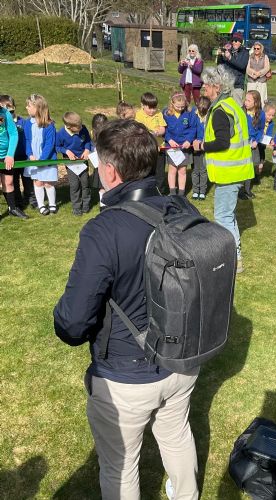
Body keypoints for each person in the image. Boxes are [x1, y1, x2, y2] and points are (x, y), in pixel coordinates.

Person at [53, 119, 200, 500]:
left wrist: (61, 317)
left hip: (125, 375)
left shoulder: (103, 230)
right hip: (182, 358)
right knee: (177, 433)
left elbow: (72, 323)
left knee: (120, 466)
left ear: (110, 171)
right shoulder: (181, 206)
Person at [193, 65, 253, 273]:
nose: (204, 89)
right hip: (236, 170)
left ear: (217, 87)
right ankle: (233, 255)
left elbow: (222, 142)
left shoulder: (220, 110)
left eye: (206, 86)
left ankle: (234, 259)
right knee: (228, 214)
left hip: (229, 172)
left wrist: (202, 146)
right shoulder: (232, 104)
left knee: (223, 217)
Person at [23, 94, 57, 215]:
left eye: (29, 105)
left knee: (48, 182)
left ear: (37, 107)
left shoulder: (49, 125)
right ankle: (41, 205)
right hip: (34, 158)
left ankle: (52, 204)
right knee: (38, 182)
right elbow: (27, 140)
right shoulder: (28, 123)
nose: (26, 107)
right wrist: (30, 155)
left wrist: (42, 160)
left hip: (46, 159)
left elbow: (49, 144)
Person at [0, 95, 34, 211]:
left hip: (6, 155)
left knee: (9, 182)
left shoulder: (5, 113)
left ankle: (13, 209)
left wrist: (10, 154)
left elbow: (13, 133)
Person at [56, 112, 92, 216]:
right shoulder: (61, 134)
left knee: (85, 182)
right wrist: (66, 151)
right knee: (74, 185)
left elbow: (88, 141)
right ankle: (76, 207)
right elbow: (57, 146)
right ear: (69, 126)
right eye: (78, 127)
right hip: (70, 163)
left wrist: (87, 149)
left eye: (81, 126)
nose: (81, 128)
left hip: (82, 160)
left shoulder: (83, 129)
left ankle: (86, 205)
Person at [163, 92, 197, 196]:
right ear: (172, 103)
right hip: (172, 147)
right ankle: (172, 192)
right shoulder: (166, 113)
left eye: (182, 106)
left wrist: (189, 140)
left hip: (184, 147)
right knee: (172, 170)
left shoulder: (189, 113)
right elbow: (164, 129)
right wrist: (169, 140)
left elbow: (193, 128)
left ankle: (181, 193)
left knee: (182, 170)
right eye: (178, 106)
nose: (180, 108)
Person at [134, 92, 167, 193]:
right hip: (146, 149)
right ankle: (146, 191)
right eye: (150, 108)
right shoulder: (139, 115)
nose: (152, 111)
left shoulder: (159, 114)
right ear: (142, 105)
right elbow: (139, 130)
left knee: (160, 172)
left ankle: (160, 192)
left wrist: (159, 132)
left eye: (154, 108)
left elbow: (163, 128)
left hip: (159, 148)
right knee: (146, 171)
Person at [240, 90, 265, 200]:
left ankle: (247, 189)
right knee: (242, 167)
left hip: (253, 145)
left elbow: (261, 130)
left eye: (248, 100)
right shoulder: (241, 112)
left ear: (256, 102)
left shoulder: (261, 114)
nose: (246, 102)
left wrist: (256, 141)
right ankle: (239, 190)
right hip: (242, 144)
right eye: (245, 100)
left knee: (250, 167)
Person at [216, 32, 249, 106]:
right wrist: (220, 56)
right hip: (226, 85)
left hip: (237, 85)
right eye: (232, 40)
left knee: (237, 106)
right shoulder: (228, 51)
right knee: (225, 106)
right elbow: (220, 66)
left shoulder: (245, 53)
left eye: (236, 41)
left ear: (240, 42)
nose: (234, 42)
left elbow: (242, 66)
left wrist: (230, 58)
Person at [191, 96, 210, 200]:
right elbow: (192, 129)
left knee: (203, 170)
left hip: (205, 146)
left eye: (204, 112)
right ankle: (195, 190)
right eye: (200, 111)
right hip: (195, 146)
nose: (201, 113)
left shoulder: (210, 116)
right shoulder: (194, 115)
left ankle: (202, 191)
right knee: (195, 169)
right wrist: (194, 140)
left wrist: (204, 141)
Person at [90, 113, 108, 209]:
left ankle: (106, 204)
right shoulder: (92, 135)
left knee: (106, 186)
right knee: (102, 187)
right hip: (99, 164)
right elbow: (90, 146)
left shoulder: (108, 134)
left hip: (107, 163)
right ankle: (103, 204)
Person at [257, 102, 276, 185]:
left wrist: (270, 140)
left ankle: (258, 175)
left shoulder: (271, 124)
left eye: (272, 115)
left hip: (262, 144)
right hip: (256, 143)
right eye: (269, 115)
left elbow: (269, 134)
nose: (271, 117)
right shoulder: (259, 120)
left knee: (261, 157)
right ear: (263, 113)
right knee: (255, 158)